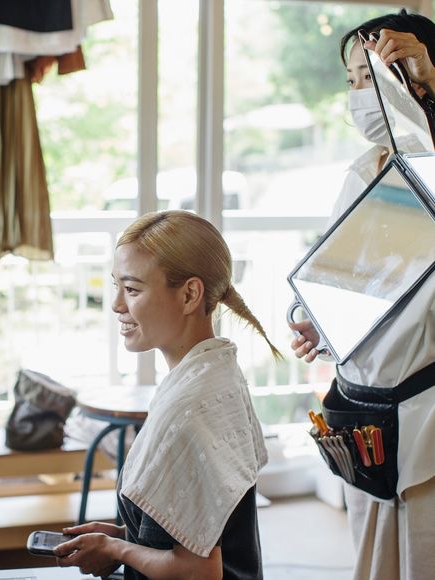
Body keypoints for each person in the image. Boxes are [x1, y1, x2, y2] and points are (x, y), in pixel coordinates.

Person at [54, 210, 281, 579]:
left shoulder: (189, 409)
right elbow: (206, 523)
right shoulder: (219, 374)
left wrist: (117, 549)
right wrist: (127, 535)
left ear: (190, 294)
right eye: (116, 286)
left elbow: (198, 571)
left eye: (132, 289)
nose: (116, 305)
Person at [289, 9, 435, 580]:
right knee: (372, 560)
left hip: (424, 410)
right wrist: (320, 322)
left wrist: (430, 82)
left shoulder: (427, 170)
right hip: (360, 407)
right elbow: (342, 275)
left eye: (370, 76)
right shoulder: (364, 171)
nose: (358, 95)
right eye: (351, 81)